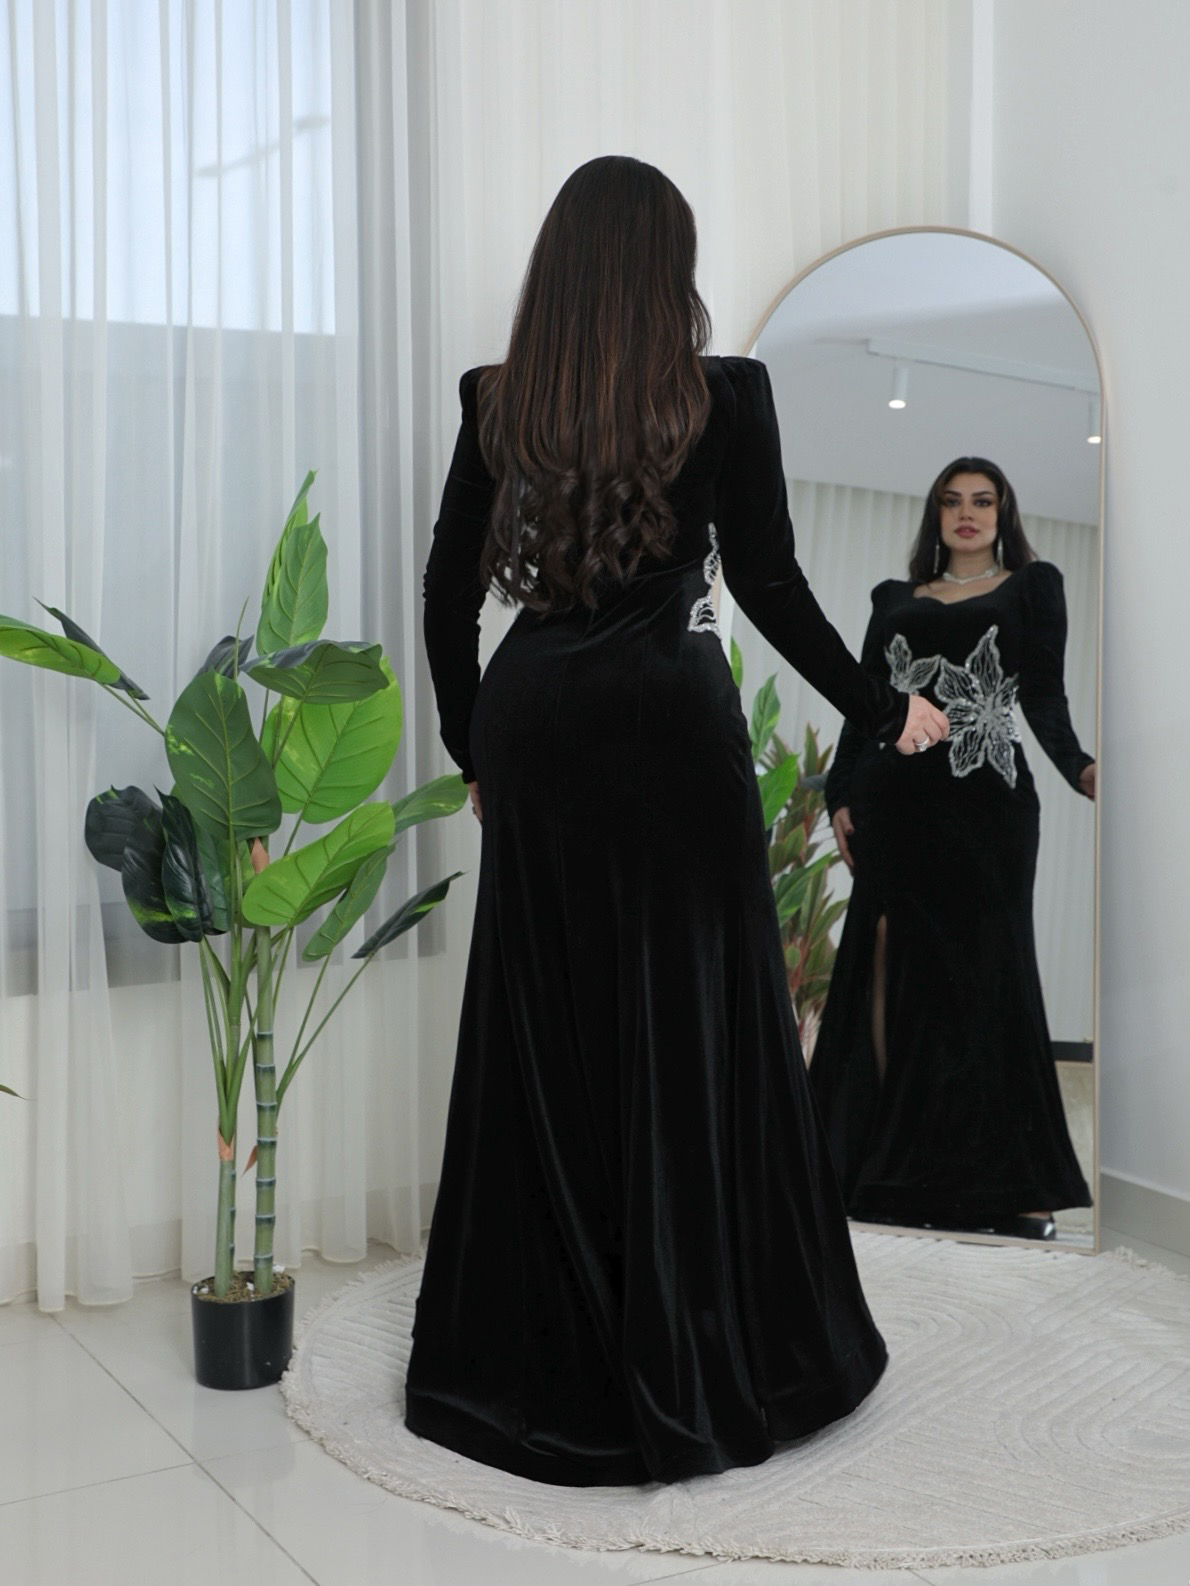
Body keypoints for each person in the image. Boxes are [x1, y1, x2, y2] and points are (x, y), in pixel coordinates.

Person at [406, 155, 948, 1488]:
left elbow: (446, 588)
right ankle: (715, 1340)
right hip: (666, 722)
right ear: (667, 266)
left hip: (538, 723)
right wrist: (882, 707)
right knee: (697, 1023)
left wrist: (473, 742)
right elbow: (768, 583)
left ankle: (540, 1353)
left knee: (548, 1027)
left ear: (558, 268)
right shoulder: (724, 395)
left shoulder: (497, 399)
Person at [811, 459, 1095, 1242]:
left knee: (990, 979)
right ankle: (877, 1171)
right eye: (952, 501)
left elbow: (1044, 695)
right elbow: (862, 704)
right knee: (885, 970)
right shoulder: (894, 599)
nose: (967, 513)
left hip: (987, 810)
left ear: (1004, 514)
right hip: (893, 807)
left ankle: (1015, 1188)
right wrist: (839, 795)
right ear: (935, 515)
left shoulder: (1032, 587)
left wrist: (1080, 767)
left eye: (983, 500)